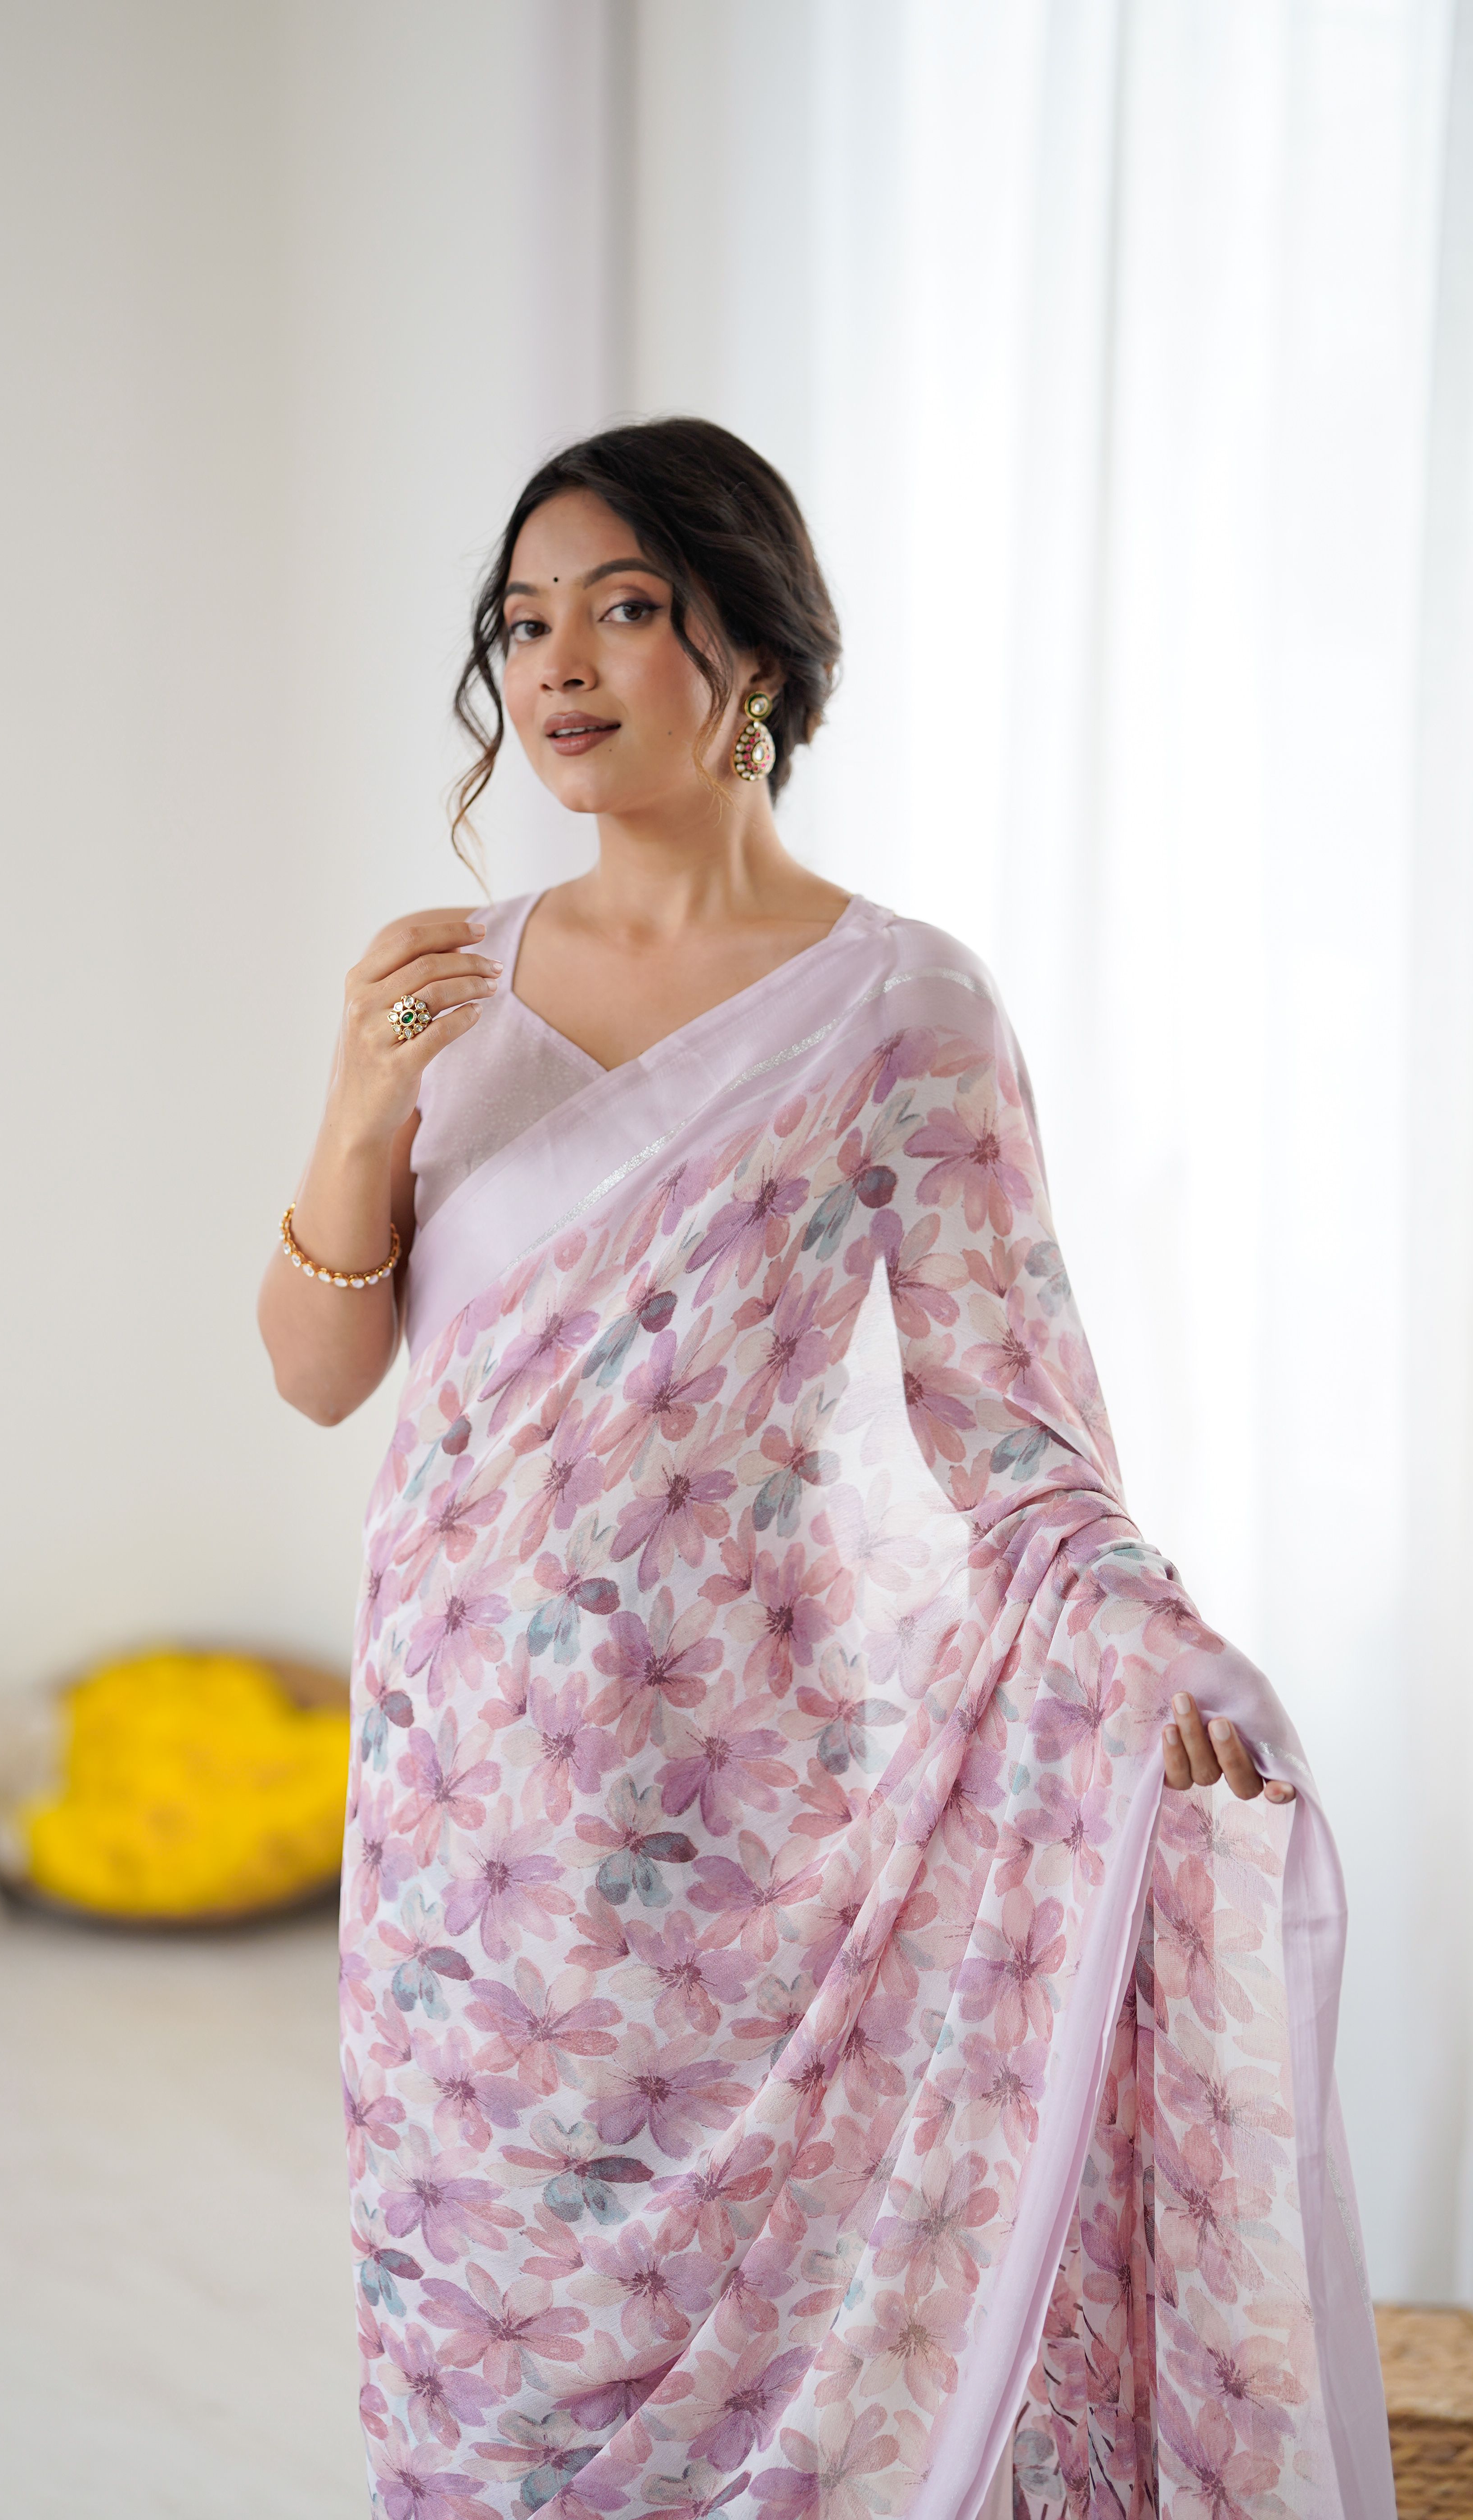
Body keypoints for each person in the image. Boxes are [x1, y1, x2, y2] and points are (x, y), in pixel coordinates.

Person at [259, 418, 1392, 2520]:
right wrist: (351, 1108)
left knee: (755, 2298)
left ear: (757, 652)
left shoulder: (899, 1007)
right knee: (475, 2309)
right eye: (522, 621)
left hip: (737, 1784)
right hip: (457, 1785)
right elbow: (320, 1369)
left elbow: (1011, 1423)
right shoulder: (449, 983)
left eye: (622, 607)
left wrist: (1151, 1655)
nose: (557, 662)